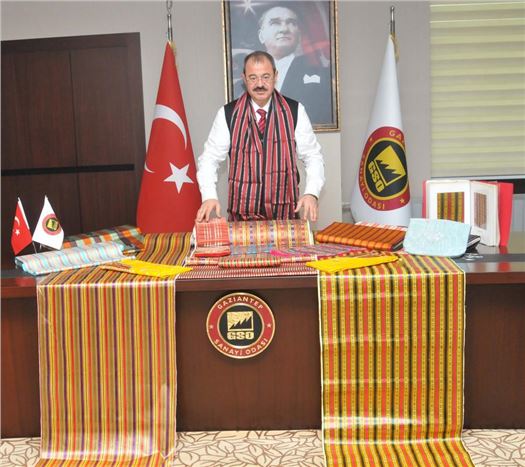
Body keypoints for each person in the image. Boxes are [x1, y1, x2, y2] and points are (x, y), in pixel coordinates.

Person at [196, 51, 325, 223]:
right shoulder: (228, 113)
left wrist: (311, 193)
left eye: (265, 77)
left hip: (285, 219)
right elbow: (209, 158)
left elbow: (313, 156)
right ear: (244, 78)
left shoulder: (295, 111)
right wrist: (209, 196)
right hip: (242, 220)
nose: (260, 84)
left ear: (275, 76)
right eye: (253, 78)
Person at [235, 4, 332, 125]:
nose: (284, 29)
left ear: (299, 36)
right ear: (261, 36)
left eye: (291, 23)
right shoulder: (240, 87)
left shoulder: (322, 77)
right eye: (275, 23)